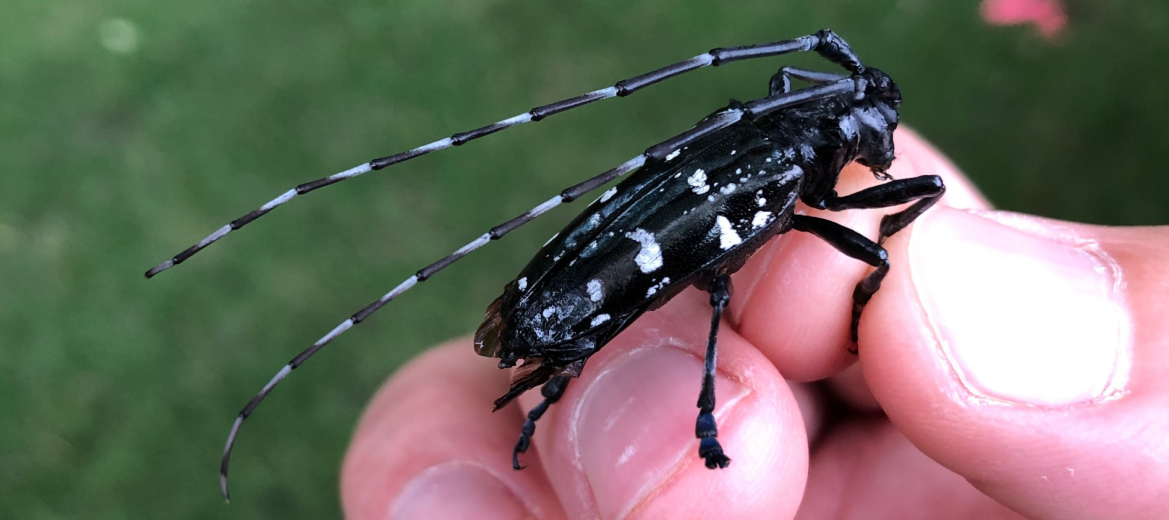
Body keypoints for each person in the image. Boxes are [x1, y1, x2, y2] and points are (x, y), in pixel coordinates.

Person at [340, 129, 1168, 520]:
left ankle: (577, 383)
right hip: (586, 301)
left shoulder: (781, 156)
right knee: (696, 286)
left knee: (708, 290)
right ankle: (653, 397)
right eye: (867, 144)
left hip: (593, 300)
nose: (878, 160)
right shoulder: (781, 172)